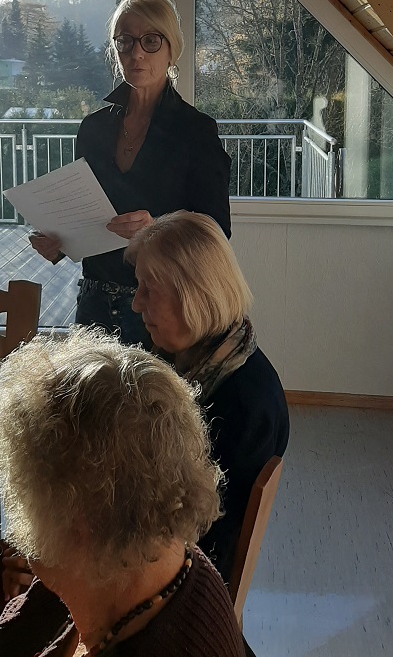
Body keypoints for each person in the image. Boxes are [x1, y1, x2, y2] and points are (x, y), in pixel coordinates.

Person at [0, 330, 245, 657]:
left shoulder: (99, 568)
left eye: (24, 501)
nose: (18, 528)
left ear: (75, 524)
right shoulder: (135, 553)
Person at [29, 0, 231, 348]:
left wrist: (157, 229)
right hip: (93, 299)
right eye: (125, 41)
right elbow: (84, 213)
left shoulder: (195, 131)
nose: (136, 53)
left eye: (150, 40)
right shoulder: (93, 129)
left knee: (152, 389)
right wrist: (58, 244)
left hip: (160, 301)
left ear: (171, 50)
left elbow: (216, 230)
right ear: (115, 50)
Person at [127, 210, 290, 578]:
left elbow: (203, 542)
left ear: (193, 295)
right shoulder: (196, 360)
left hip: (186, 584)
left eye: (149, 289)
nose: (136, 303)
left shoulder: (242, 405)